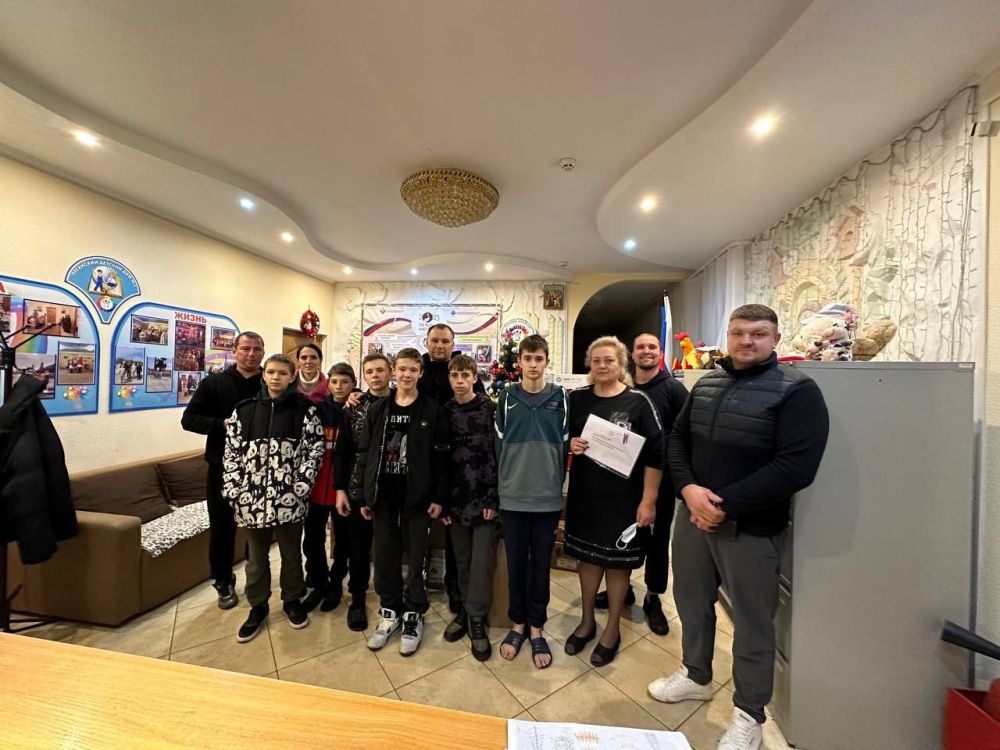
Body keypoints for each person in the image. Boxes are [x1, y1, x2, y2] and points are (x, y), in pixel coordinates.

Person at [647, 304, 829, 750]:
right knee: (691, 602)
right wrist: (689, 489)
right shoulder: (707, 382)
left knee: (752, 624)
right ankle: (696, 674)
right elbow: (677, 440)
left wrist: (723, 506)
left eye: (758, 333)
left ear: (775, 338)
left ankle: (749, 714)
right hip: (693, 519)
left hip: (751, 528)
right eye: (739, 332)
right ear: (727, 336)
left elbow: (796, 467)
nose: (747, 341)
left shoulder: (798, 391)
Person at [565, 335, 663, 667]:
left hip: (624, 499)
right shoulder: (577, 399)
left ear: (621, 364)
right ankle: (587, 621)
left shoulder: (639, 402)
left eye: (609, 360)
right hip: (586, 495)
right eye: (596, 361)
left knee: (618, 564)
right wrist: (571, 443)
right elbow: (562, 435)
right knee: (588, 560)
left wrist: (648, 501)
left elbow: (656, 454)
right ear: (589, 366)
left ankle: (612, 630)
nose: (602, 366)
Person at [351, 348, 449, 656]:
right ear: (394, 371)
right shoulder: (378, 408)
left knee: (417, 559)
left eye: (413, 370)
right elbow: (365, 453)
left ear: (420, 372)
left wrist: (438, 496)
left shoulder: (432, 409)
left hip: (418, 498)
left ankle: (414, 614)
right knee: (385, 558)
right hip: (383, 497)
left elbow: (441, 458)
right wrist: (363, 494)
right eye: (402, 369)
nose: (407, 375)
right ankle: (390, 611)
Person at [223, 353, 325, 643]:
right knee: (256, 560)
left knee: (291, 556)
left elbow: (314, 450)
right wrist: (234, 490)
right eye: (271, 372)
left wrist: (301, 486)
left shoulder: (305, 411)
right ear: (264, 375)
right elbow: (231, 454)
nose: (276, 377)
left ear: (292, 377)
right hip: (251, 501)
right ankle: (258, 605)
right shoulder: (244, 411)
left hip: (289, 500)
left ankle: (292, 599)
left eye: (282, 373)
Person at [595, 333, 689, 635]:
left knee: (657, 540)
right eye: (640, 347)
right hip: (624, 479)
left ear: (660, 353)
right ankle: (622, 590)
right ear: (631, 355)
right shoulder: (622, 386)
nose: (646, 351)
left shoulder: (674, 390)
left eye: (652, 347)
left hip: (661, 479)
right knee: (621, 535)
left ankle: (653, 597)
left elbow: (684, 434)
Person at [495, 334, 568, 669]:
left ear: (546, 362)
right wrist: (504, 486)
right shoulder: (506, 397)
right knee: (516, 566)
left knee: (541, 567)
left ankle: (537, 627)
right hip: (513, 498)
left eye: (539, 358)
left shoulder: (561, 397)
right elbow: (497, 448)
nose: (534, 364)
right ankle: (517, 625)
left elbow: (566, 444)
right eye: (528, 358)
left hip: (546, 499)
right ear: (519, 362)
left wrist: (555, 482)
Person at [181, 331, 265, 609]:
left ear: (263, 352)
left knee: (257, 527)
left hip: (261, 468)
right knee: (222, 528)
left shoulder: (270, 381)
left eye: (256, 349)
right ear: (235, 351)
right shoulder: (214, 383)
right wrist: (221, 424)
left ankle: (256, 579)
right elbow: (189, 420)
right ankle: (223, 581)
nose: (251, 354)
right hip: (222, 467)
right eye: (246, 348)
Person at [417, 323, 486, 614]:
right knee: (421, 531)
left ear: (453, 343)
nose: (439, 345)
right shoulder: (418, 372)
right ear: (427, 342)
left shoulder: (463, 371)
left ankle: (455, 588)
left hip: (460, 471)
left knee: (454, 534)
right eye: (435, 340)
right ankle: (419, 585)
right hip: (425, 464)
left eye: (445, 341)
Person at [441, 354, 499, 661]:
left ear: (475, 377)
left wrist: (492, 497)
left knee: (480, 561)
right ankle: (464, 609)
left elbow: (497, 455)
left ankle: (477, 617)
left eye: (466, 375)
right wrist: (442, 501)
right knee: (461, 559)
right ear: (449, 378)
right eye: (455, 375)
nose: (460, 381)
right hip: (455, 499)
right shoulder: (445, 412)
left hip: (483, 499)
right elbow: (439, 460)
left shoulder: (490, 409)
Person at [301, 362, 356, 617]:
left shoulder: (357, 409)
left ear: (353, 384)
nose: (339, 387)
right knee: (313, 539)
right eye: (334, 382)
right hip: (316, 485)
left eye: (345, 382)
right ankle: (319, 582)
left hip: (343, 486)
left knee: (343, 539)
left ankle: (336, 583)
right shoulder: (317, 410)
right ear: (328, 383)